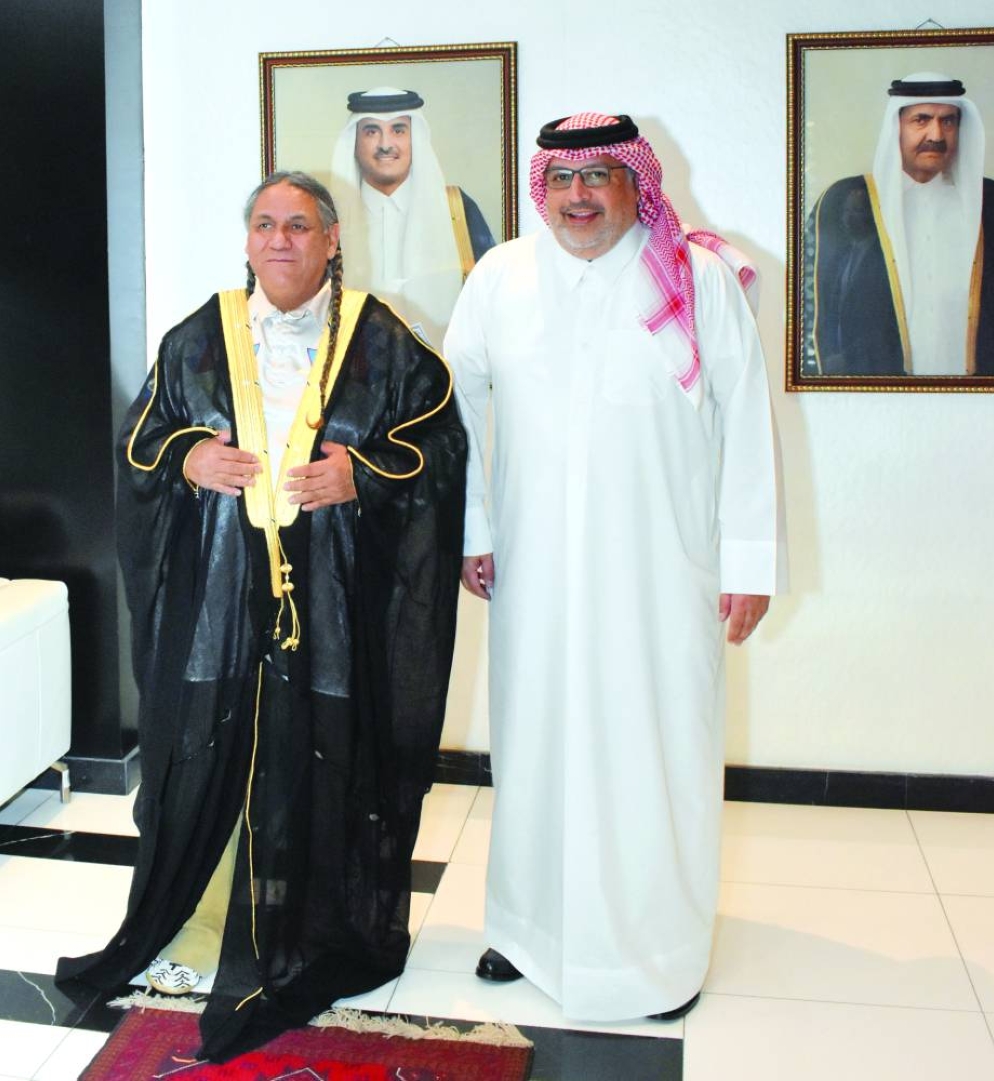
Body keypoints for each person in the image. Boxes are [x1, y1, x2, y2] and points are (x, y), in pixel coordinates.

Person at [55, 171, 467, 1061]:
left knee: (323, 743)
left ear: (329, 242)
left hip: (334, 591)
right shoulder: (199, 336)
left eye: (300, 226)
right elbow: (142, 435)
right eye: (264, 225)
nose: (281, 240)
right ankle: (198, 916)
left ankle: (313, 925)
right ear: (247, 241)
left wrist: (366, 474)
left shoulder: (381, 340)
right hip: (216, 593)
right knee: (206, 742)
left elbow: (438, 442)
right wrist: (185, 455)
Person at [444, 112, 786, 1022]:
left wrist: (748, 558)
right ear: (541, 187)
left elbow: (747, 421)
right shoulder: (501, 278)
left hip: (659, 573)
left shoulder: (696, 277)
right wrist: (474, 525)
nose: (579, 196)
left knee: (653, 751)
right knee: (536, 743)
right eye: (563, 179)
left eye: (599, 176)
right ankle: (525, 931)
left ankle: (654, 955)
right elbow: (459, 411)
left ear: (640, 184)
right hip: (535, 570)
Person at [802, 73, 994, 377]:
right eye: (921, 120)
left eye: (948, 121)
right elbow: (818, 315)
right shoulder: (846, 201)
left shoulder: (993, 203)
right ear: (896, 126)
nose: (936, 134)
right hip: (880, 398)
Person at [330, 86, 495, 349]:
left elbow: (491, 301)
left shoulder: (457, 210)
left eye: (398, 130)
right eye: (372, 131)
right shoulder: (329, 217)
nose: (385, 145)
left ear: (414, 138)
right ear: (354, 142)